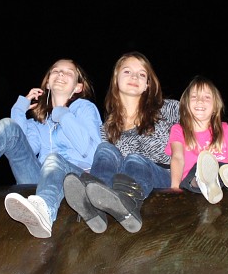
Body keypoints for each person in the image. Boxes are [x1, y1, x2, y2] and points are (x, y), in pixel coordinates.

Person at [0, 58, 102, 238]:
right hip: (41, 179)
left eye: (68, 72)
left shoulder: (84, 108)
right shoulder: (41, 122)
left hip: (75, 180)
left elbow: (92, 153)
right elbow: (23, 147)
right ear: (47, 82)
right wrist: (19, 110)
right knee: (8, 127)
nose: (60, 73)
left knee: (53, 159)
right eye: (55, 70)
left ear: (78, 87)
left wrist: (63, 114)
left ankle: (45, 211)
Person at [62, 52, 179, 233]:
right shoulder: (107, 127)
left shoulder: (168, 108)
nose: (134, 77)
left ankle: (128, 206)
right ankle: (93, 208)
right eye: (127, 72)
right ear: (116, 79)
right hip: (122, 176)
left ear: (147, 84)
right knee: (105, 149)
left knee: (135, 159)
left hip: (162, 173)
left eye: (141, 74)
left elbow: (202, 129)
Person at [166, 75, 228, 206]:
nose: (200, 101)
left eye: (206, 97)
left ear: (215, 106)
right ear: (186, 104)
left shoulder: (224, 129)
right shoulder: (178, 129)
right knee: (203, 167)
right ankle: (208, 182)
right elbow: (177, 157)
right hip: (194, 180)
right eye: (194, 97)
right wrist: (174, 187)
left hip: (225, 178)